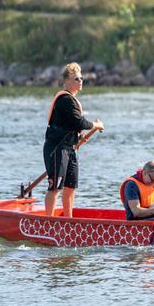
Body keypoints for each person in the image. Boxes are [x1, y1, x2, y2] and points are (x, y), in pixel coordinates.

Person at [43, 62, 103, 218]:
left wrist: (79, 136)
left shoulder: (72, 100)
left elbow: (71, 125)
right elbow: (79, 122)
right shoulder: (65, 100)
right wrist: (95, 125)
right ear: (67, 81)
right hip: (57, 149)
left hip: (69, 148)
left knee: (70, 186)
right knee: (55, 187)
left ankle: (68, 220)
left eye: (81, 78)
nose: (80, 81)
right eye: (76, 78)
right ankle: (48, 221)